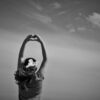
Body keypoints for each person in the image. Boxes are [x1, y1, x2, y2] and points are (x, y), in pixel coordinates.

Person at [14, 34, 47, 100]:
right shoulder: (38, 77)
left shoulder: (21, 76)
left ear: (24, 67)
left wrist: (25, 41)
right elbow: (45, 59)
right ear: (35, 68)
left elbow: (21, 57)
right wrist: (40, 41)